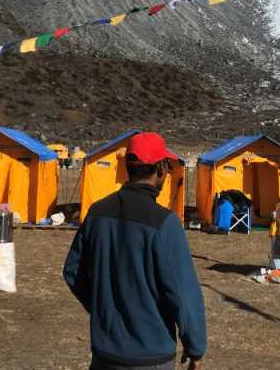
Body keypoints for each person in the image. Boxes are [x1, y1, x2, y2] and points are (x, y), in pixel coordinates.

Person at [63, 132, 207, 369]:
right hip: (150, 356)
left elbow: (72, 271)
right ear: (161, 168)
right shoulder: (163, 222)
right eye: (168, 166)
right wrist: (195, 348)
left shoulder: (97, 212)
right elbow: (183, 294)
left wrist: (103, 310)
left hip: (104, 355)